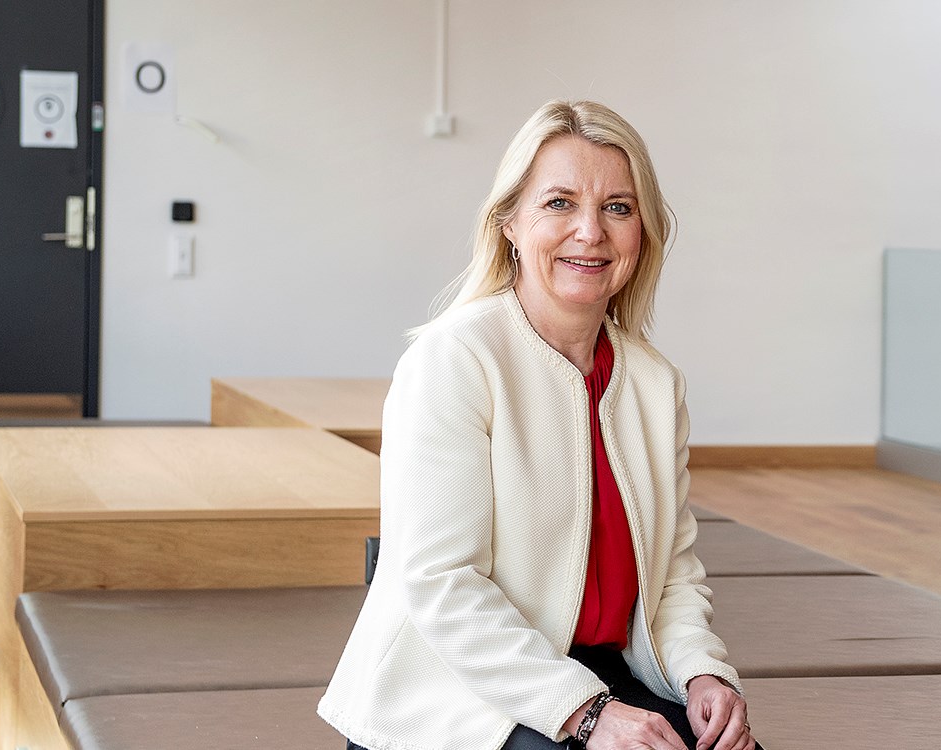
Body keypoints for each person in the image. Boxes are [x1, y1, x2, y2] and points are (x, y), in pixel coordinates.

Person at [319, 100, 757, 750]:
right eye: (559, 203)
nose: (591, 232)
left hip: (598, 671)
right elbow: (443, 585)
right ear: (509, 225)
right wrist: (586, 714)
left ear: (643, 233)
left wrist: (703, 675)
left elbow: (671, 579)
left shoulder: (655, 385)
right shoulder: (454, 361)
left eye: (618, 207)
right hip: (453, 693)